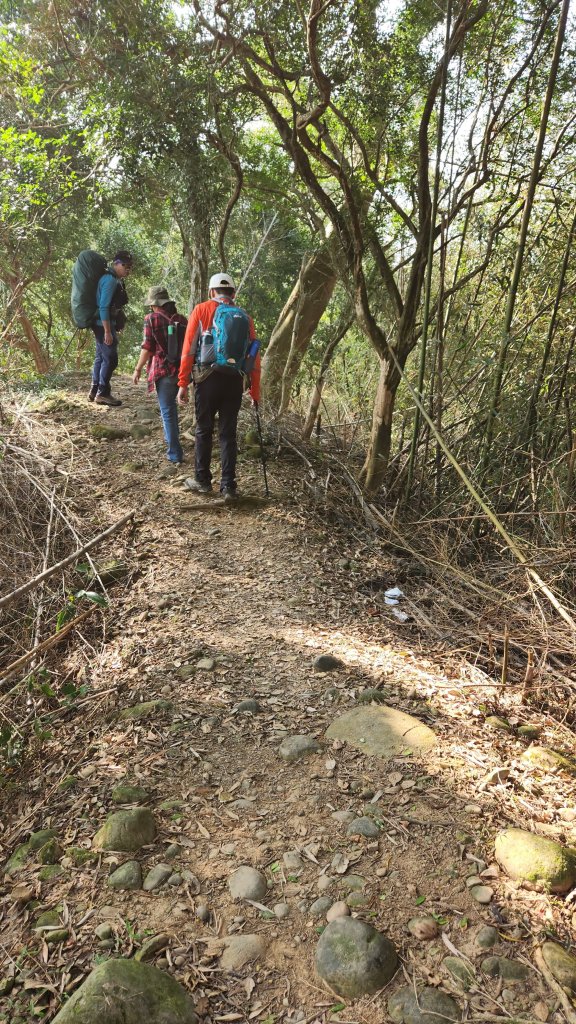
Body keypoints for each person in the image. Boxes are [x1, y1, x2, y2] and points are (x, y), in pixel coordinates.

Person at [177, 271, 261, 502]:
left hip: (207, 378)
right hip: (234, 381)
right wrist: (255, 390)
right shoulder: (244, 317)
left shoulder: (201, 310)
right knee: (228, 434)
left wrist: (182, 382)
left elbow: (188, 349)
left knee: (204, 429)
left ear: (212, 291)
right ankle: (228, 486)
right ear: (233, 293)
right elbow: (254, 357)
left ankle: (202, 481)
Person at [132, 286, 188, 465]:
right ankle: (175, 448)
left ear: (155, 304)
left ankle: (175, 454)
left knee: (168, 412)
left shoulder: (151, 319)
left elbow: (148, 347)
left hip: (163, 371)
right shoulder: (182, 319)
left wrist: (138, 369)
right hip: (181, 371)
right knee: (172, 410)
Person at [88, 249, 133, 407]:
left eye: (130, 267)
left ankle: (95, 390)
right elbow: (104, 307)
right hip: (102, 325)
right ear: (116, 264)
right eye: (125, 266)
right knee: (111, 359)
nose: (128, 269)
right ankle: (103, 393)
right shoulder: (110, 281)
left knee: (101, 357)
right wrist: (107, 331)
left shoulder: (114, 279)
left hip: (102, 324)